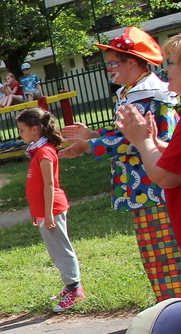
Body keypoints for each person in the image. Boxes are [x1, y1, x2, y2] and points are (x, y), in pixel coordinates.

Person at [60, 26, 181, 302]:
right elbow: (127, 135)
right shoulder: (132, 92)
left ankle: (171, 311)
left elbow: (137, 140)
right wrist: (94, 135)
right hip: (144, 190)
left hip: (155, 190)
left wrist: (90, 145)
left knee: (165, 259)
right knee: (155, 257)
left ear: (133, 62)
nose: (109, 69)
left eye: (114, 63)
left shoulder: (150, 95)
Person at [18, 107, 85, 311]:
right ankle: (70, 286)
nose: (20, 134)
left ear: (35, 129)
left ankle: (75, 289)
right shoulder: (38, 150)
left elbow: (49, 184)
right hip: (44, 211)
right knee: (56, 251)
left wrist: (48, 214)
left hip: (52, 210)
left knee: (61, 249)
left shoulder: (45, 152)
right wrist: (36, 213)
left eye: (22, 130)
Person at [115, 32, 181, 239]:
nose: (166, 69)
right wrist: (156, 143)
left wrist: (143, 141)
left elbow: (165, 177)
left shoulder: (148, 96)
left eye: (172, 63)